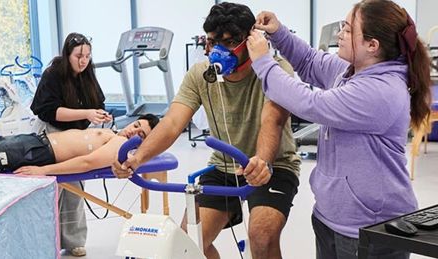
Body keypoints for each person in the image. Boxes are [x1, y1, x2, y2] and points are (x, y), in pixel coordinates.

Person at [112, 3, 301, 259]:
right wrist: (137, 158)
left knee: (261, 236)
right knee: (189, 243)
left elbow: (273, 121)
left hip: (272, 166)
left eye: (230, 42)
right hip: (223, 167)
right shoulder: (200, 74)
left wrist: (262, 161)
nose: (218, 50)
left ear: (251, 39)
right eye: (213, 42)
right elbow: (171, 124)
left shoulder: (274, 70)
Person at [246, 0, 431, 258]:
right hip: (332, 216)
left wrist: (264, 63)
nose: (339, 34)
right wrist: (278, 33)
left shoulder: (381, 91)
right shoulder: (351, 71)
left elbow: (310, 104)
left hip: (369, 228)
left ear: (372, 45)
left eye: (346, 29)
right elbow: (310, 61)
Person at [30, 32, 110, 257]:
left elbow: (98, 101)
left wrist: (101, 114)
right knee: (51, 190)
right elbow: (49, 111)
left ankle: (73, 240)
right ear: (67, 55)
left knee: (74, 189)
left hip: (77, 135)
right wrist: (86, 112)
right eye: (78, 56)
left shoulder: (87, 74)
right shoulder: (53, 74)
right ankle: (46, 241)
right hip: (51, 135)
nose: (83, 61)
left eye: (87, 56)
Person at [0, 114, 158, 175]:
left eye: (141, 134)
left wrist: (43, 171)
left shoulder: (120, 145)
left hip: (36, 152)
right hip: (32, 140)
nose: (134, 131)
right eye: (136, 125)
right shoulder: (113, 132)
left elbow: (87, 163)